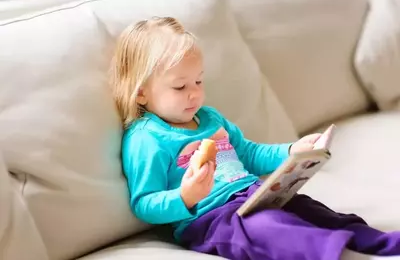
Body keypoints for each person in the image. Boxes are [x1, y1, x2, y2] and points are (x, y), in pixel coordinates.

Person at [108, 16, 400, 260]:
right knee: (274, 229)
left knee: (309, 209)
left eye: (198, 81)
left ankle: (382, 244)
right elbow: (144, 202)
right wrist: (185, 196)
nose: (194, 93)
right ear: (141, 92)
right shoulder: (146, 138)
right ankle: (339, 254)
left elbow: (248, 154)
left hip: (256, 195)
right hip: (212, 220)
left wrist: (292, 151)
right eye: (180, 86)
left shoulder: (210, 119)